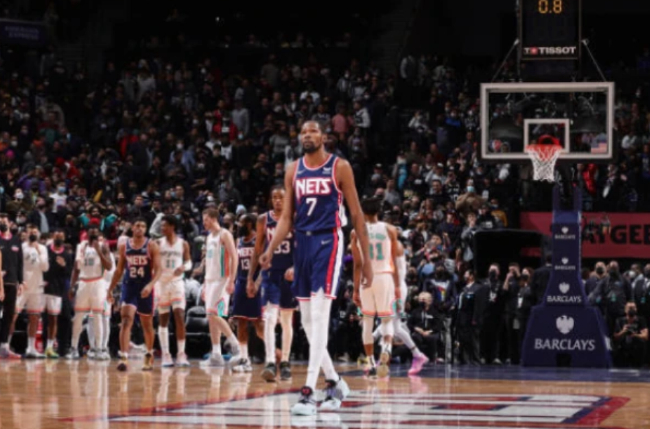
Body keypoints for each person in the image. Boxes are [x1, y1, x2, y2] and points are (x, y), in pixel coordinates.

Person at [260, 120, 373, 416]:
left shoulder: (339, 167)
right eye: (303, 132)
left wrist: (367, 261)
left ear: (323, 136)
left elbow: (357, 213)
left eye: (312, 131)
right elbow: (287, 218)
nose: (307, 135)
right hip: (302, 244)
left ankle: (309, 391)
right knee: (308, 322)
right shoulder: (293, 170)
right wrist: (270, 250)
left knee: (321, 315)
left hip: (328, 240)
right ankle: (334, 380)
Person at [350, 196, 401, 378]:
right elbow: (393, 260)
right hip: (385, 276)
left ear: (363, 211)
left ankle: (371, 363)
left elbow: (357, 264)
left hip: (366, 278)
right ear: (379, 211)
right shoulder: (390, 230)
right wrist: (397, 286)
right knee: (387, 320)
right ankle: (386, 349)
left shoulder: (355, 232)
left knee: (367, 321)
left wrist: (355, 289)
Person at [251, 186, 296, 382]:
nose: (277, 200)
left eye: (281, 197)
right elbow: (257, 249)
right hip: (270, 273)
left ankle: (285, 361)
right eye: (274, 197)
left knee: (286, 319)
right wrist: (251, 278)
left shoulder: (294, 218)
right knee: (269, 318)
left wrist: (295, 267)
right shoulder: (263, 219)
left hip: (288, 274)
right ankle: (270, 361)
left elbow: (301, 247)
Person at [107, 218, 160, 371]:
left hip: (145, 286)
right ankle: (123, 357)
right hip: (129, 286)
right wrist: (110, 289)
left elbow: (159, 270)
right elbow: (119, 270)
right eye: (137, 225)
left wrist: (150, 285)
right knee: (125, 320)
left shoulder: (151, 245)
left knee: (146, 324)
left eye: (143, 225)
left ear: (146, 229)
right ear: (132, 228)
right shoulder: (124, 246)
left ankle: (148, 354)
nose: (140, 228)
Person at [200, 208, 241, 367]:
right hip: (210, 280)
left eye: (205, 220)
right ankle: (216, 354)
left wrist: (232, 280)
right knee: (212, 317)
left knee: (213, 314)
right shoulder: (209, 237)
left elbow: (234, 257)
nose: (204, 223)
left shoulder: (225, 234)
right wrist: (205, 283)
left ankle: (235, 345)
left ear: (213, 218)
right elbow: (209, 262)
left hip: (222, 280)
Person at [69, 226, 113, 360]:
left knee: (98, 316)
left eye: (96, 230)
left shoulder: (103, 246)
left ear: (99, 233)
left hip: (98, 283)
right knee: (78, 316)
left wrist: (99, 251)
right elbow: (76, 268)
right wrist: (72, 286)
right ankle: (74, 348)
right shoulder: (81, 247)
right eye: (91, 230)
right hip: (83, 282)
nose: (93, 232)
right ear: (87, 233)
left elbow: (109, 266)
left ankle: (98, 348)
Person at [230, 213, 264, 372]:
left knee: (259, 324)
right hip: (241, 283)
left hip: (256, 283)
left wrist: (257, 284)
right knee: (241, 322)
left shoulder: (259, 240)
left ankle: (275, 354)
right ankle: (244, 359)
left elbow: (265, 265)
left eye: (242, 222)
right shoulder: (238, 242)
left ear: (250, 224)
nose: (239, 225)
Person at [156, 215, 192, 367]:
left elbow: (189, 262)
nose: (162, 228)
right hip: (161, 283)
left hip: (177, 282)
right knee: (163, 319)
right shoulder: (158, 243)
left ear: (172, 226)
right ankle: (166, 354)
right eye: (161, 226)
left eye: (164, 225)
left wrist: (184, 267)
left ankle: (181, 354)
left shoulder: (183, 243)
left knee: (179, 316)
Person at [12, 225, 49, 358]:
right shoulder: (21, 247)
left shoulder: (43, 248)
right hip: (22, 286)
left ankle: (31, 348)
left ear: (38, 234)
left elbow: (45, 267)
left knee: (34, 317)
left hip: (37, 287)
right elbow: (16, 265)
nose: (33, 233)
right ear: (27, 233)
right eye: (31, 232)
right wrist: (19, 282)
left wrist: (38, 250)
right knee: (13, 316)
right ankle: (5, 345)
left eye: (35, 232)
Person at [43, 229, 72, 358]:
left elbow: (68, 273)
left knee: (55, 318)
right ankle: (40, 346)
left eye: (61, 236)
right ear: (52, 237)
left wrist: (64, 265)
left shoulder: (67, 255)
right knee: (42, 318)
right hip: (42, 288)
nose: (58, 238)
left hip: (57, 290)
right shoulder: (45, 251)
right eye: (56, 236)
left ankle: (54, 347)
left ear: (64, 239)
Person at [0, 213, 24, 359]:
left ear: (9, 223)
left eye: (4, 221)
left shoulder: (16, 240)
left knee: (9, 315)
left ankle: (4, 346)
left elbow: (20, 263)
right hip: (0, 283)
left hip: (12, 282)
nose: (2, 223)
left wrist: (21, 281)